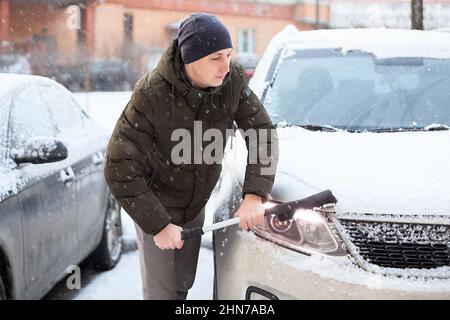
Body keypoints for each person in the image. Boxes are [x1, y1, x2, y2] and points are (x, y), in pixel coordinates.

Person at [104, 12, 278, 300]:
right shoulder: (152, 94)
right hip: (154, 203)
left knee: (183, 285)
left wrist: (255, 195)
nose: (225, 65)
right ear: (189, 57)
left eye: (228, 55)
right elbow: (119, 166)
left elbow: (261, 131)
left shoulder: (231, 81)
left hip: (195, 204)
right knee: (161, 293)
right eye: (215, 58)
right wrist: (158, 225)